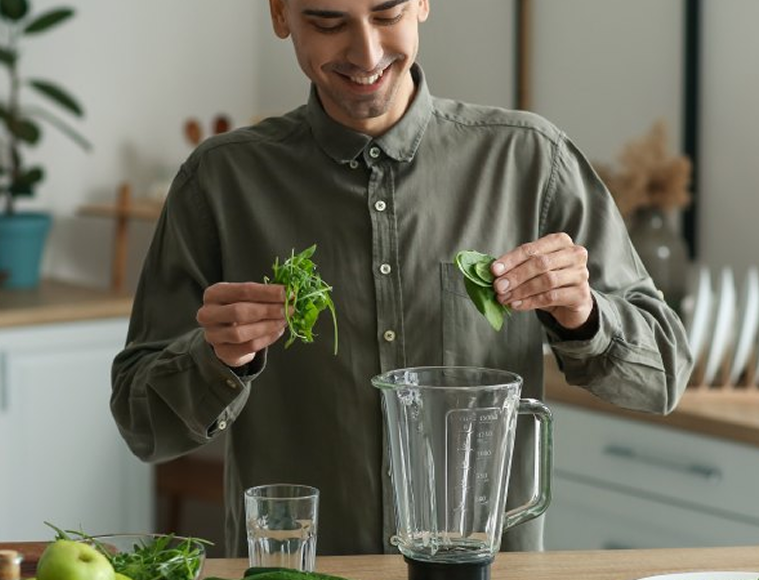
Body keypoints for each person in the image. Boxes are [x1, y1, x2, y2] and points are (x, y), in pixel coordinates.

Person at [111, 0, 693, 556]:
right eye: (328, 21)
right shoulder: (219, 182)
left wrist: (584, 315)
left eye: (387, 14)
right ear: (281, 14)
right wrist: (217, 360)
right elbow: (142, 424)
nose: (366, 54)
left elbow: (664, 374)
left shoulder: (532, 162)